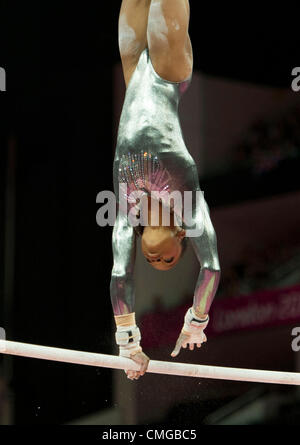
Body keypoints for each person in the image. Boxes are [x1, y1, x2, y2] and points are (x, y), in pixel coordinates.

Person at [111, 0, 220, 380]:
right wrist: (197, 319)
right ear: (181, 237)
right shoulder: (186, 203)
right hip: (167, 74)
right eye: (169, 261)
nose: (156, 261)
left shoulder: (127, 211)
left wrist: (129, 343)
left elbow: (120, 274)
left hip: (133, 77)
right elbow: (211, 266)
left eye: (152, 262)